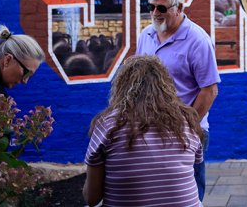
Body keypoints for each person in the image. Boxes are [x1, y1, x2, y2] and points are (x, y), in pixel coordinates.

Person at [136, 0, 220, 201]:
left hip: (186, 131)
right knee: (155, 194)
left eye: (161, 7)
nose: (154, 13)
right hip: (149, 129)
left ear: (179, 7)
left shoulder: (197, 40)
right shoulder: (146, 35)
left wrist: (186, 126)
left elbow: (209, 90)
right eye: (151, 7)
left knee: (187, 195)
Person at [83, 55, 204, 207]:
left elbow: (92, 198)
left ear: (121, 87)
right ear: (167, 87)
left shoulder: (108, 125)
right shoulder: (186, 123)